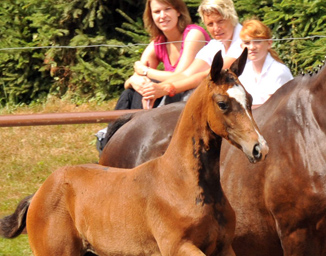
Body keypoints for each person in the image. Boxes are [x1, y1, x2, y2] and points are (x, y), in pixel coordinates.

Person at [96, 0, 210, 152]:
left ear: (178, 11)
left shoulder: (193, 34)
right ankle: (112, 136)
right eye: (157, 12)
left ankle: (124, 139)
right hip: (168, 94)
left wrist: (145, 72)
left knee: (149, 85)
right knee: (130, 92)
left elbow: (180, 76)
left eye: (167, 9)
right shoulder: (158, 42)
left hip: (189, 94)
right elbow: (131, 80)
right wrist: (136, 80)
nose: (162, 16)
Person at [141, 0, 242, 107]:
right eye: (210, 24)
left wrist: (165, 89)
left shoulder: (243, 41)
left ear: (232, 17)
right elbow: (187, 74)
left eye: (221, 21)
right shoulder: (215, 45)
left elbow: (207, 76)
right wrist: (154, 90)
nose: (216, 28)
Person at [238, 19, 293, 108]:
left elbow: (270, 109)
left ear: (269, 43)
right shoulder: (243, 72)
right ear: (241, 46)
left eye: (257, 41)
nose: (252, 47)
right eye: (247, 43)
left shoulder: (278, 71)